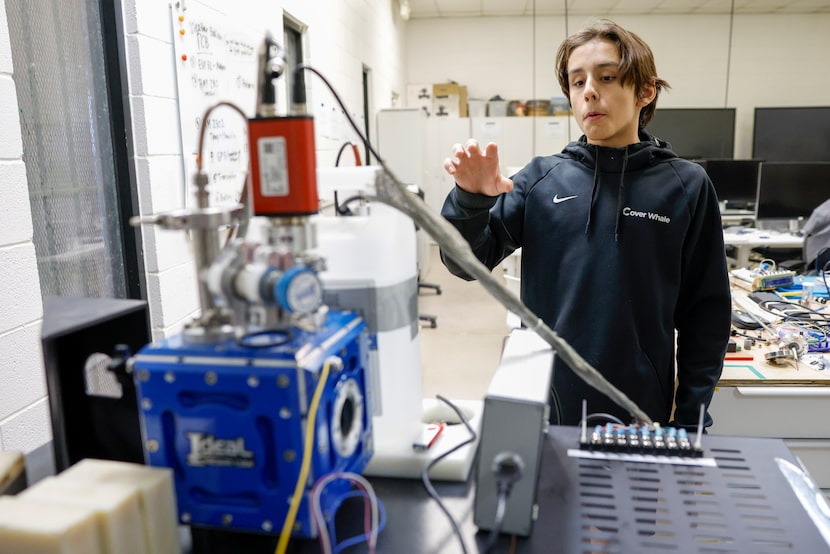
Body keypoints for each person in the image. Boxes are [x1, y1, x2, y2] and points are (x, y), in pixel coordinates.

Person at [440, 19, 731, 430]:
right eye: (577, 83)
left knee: (632, 497)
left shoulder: (685, 185)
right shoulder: (540, 179)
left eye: (607, 77)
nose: (589, 91)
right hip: (546, 403)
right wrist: (470, 201)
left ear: (645, 91)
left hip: (640, 410)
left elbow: (707, 315)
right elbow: (464, 263)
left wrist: (690, 419)